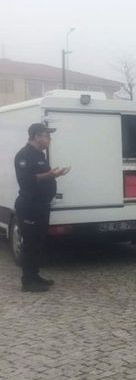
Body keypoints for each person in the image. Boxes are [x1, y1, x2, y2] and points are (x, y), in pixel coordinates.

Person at [14, 123, 69, 292]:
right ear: (36, 136)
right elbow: (26, 180)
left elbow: (42, 178)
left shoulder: (40, 154)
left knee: (38, 242)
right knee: (29, 243)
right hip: (29, 205)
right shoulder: (24, 155)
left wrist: (53, 175)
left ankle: (35, 275)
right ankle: (27, 281)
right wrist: (51, 174)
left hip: (41, 205)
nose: (49, 139)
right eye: (47, 136)